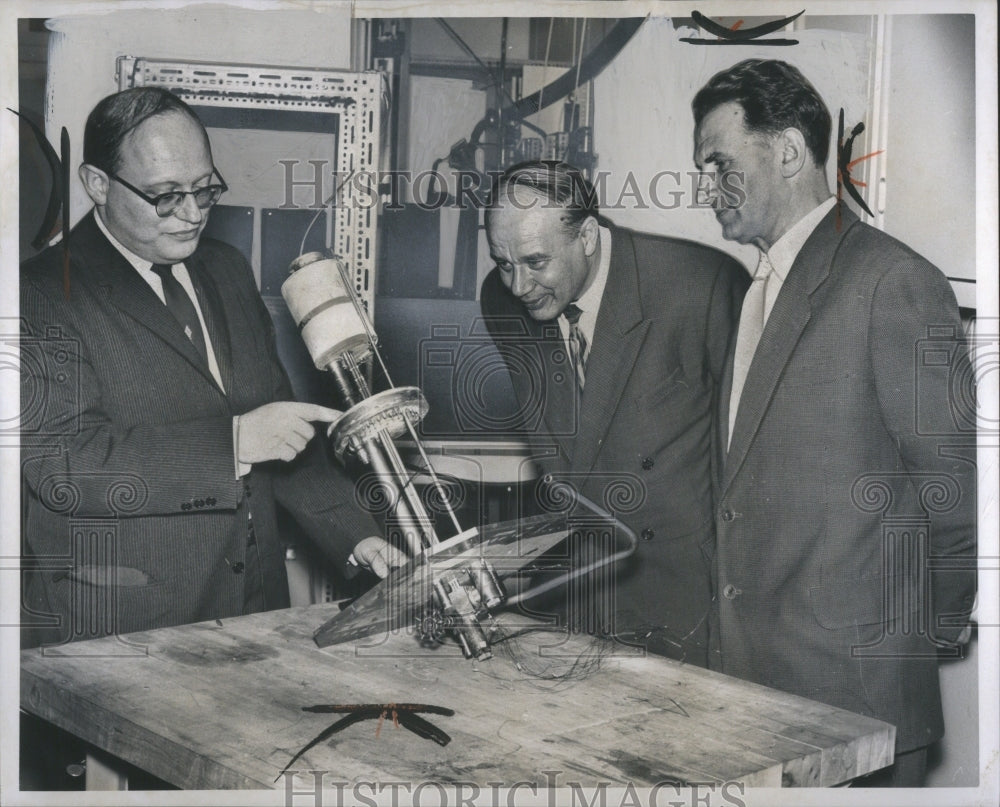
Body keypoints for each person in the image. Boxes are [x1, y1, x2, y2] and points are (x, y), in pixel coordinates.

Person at [20, 87, 402, 650]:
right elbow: (64, 468)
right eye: (166, 196)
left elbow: (284, 433)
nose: (194, 214)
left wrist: (358, 537)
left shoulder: (225, 270)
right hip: (123, 625)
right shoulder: (42, 293)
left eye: (205, 189)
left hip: (252, 609)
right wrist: (235, 442)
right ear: (97, 184)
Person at [692, 59, 977, 786]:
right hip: (755, 697)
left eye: (718, 162)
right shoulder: (753, 289)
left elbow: (951, 491)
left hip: (856, 703)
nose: (704, 186)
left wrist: (923, 638)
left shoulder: (893, 281)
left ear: (787, 151)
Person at [480, 160, 747, 665]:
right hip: (575, 598)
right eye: (502, 261)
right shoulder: (502, 301)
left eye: (536, 261)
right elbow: (566, 451)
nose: (518, 286)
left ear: (585, 236)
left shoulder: (703, 287)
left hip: (683, 603)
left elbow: (749, 469)